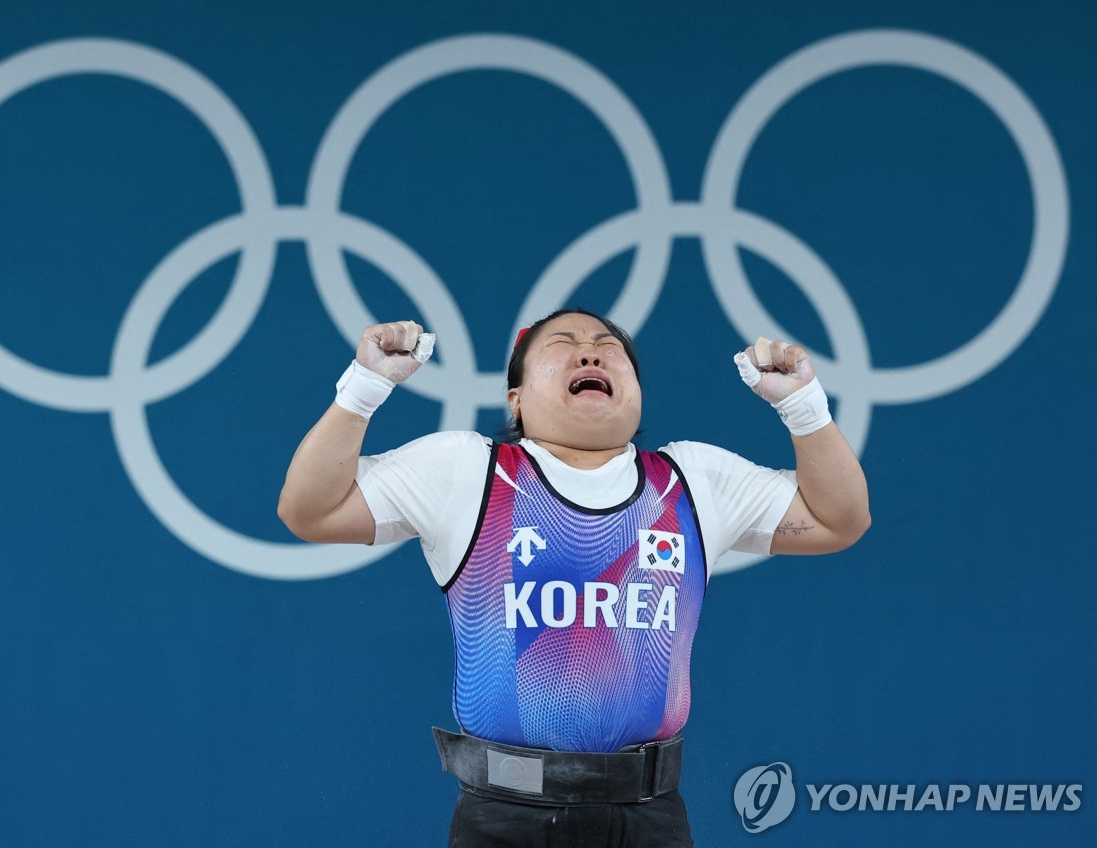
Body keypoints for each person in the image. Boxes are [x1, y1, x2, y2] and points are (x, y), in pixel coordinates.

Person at [277, 309, 870, 847]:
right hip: (504, 820)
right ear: (515, 398)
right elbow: (310, 511)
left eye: (608, 347)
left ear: (636, 392)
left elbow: (840, 521)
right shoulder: (465, 469)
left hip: (649, 820)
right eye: (563, 343)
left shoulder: (693, 480)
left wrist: (803, 406)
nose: (590, 353)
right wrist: (365, 386)